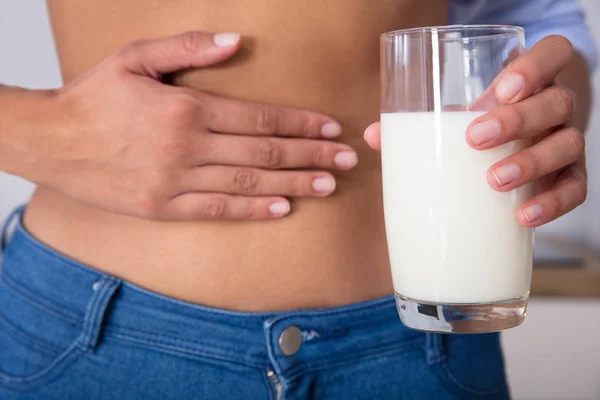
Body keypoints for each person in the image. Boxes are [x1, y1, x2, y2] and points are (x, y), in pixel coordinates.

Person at [0, 0, 595, 398]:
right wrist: (43, 131)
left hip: (420, 345)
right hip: (96, 342)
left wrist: (539, 110)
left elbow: (527, 25)